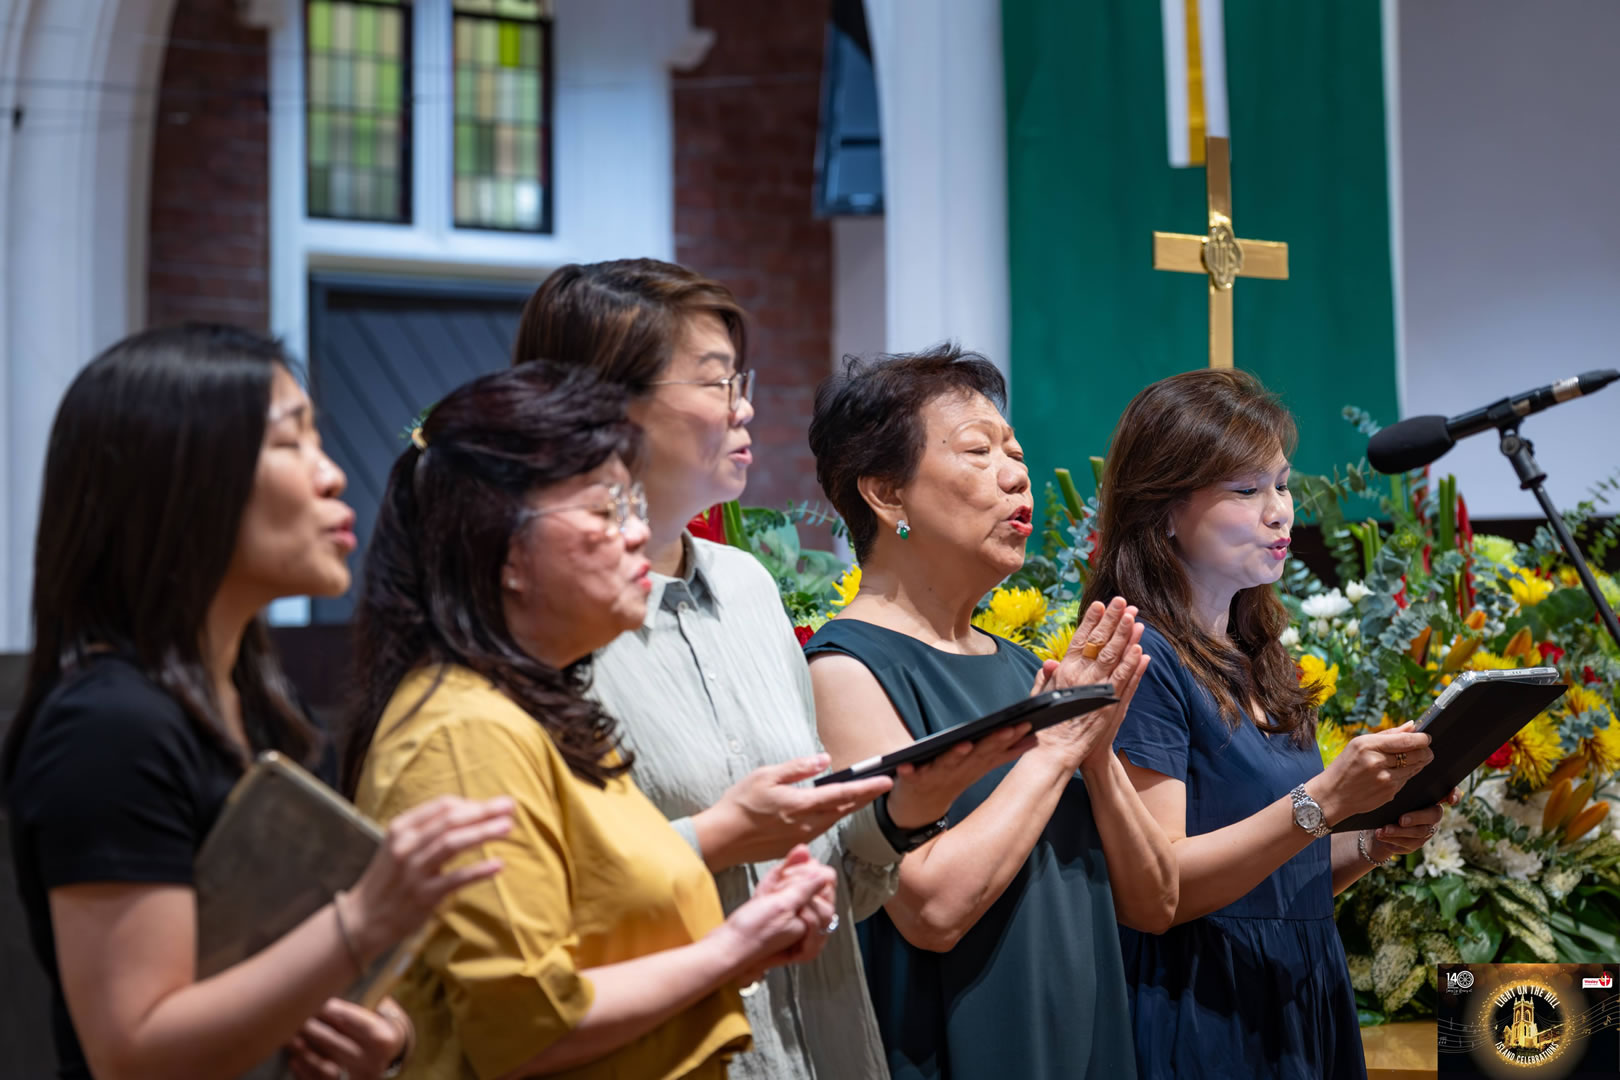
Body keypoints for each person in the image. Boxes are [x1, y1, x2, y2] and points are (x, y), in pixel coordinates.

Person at [513, 261, 1033, 1080]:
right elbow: (530, 902)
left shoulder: (747, 587)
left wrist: (903, 811)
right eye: (716, 381)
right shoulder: (541, 623)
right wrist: (714, 837)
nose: (744, 406)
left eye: (741, 381)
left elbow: (831, 877)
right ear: (604, 403)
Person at [1, 325, 513, 1080]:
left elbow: (288, 979)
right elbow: (132, 1049)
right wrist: (365, 922)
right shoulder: (106, 726)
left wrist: (386, 1039)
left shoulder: (273, 713)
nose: (332, 476)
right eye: (290, 442)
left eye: (319, 441)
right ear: (181, 477)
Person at [339, 362, 841, 1080]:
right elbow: (528, 1025)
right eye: (606, 510)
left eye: (634, 504)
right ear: (505, 550)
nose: (637, 533)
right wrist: (736, 946)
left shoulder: (534, 707)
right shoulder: (462, 733)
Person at [803, 345, 1180, 1080]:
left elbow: (1154, 902)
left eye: (1015, 452)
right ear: (886, 493)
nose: (1015, 474)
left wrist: (1097, 755)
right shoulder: (843, 669)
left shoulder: (1024, 669)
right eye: (979, 451)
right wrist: (1055, 751)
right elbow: (932, 911)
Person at [1087, 368, 1453, 1078]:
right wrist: (1326, 799)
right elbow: (1163, 887)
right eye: (1246, 490)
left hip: (1297, 984)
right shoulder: (1142, 659)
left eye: (1282, 485)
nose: (1280, 511)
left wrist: (1371, 841)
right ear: (1163, 512)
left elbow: (1274, 883)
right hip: (1203, 1000)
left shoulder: (1258, 657)